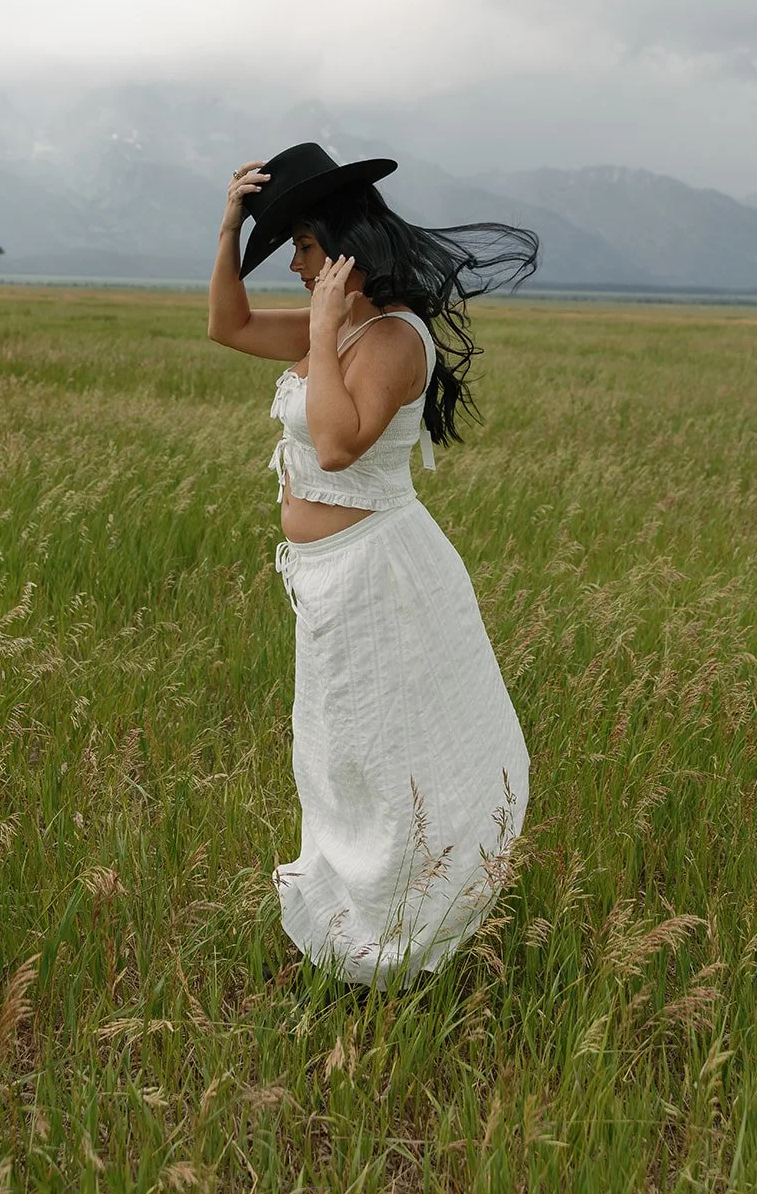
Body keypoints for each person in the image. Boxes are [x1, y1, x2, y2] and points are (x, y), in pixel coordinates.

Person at [208, 141, 538, 991]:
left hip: (377, 574)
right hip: (326, 579)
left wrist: (321, 332)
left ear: (349, 249)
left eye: (307, 247)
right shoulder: (343, 325)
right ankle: (352, 916)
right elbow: (227, 325)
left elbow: (335, 442)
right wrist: (227, 227)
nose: (294, 262)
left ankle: (403, 934)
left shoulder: (390, 338)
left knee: (386, 754)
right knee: (336, 753)